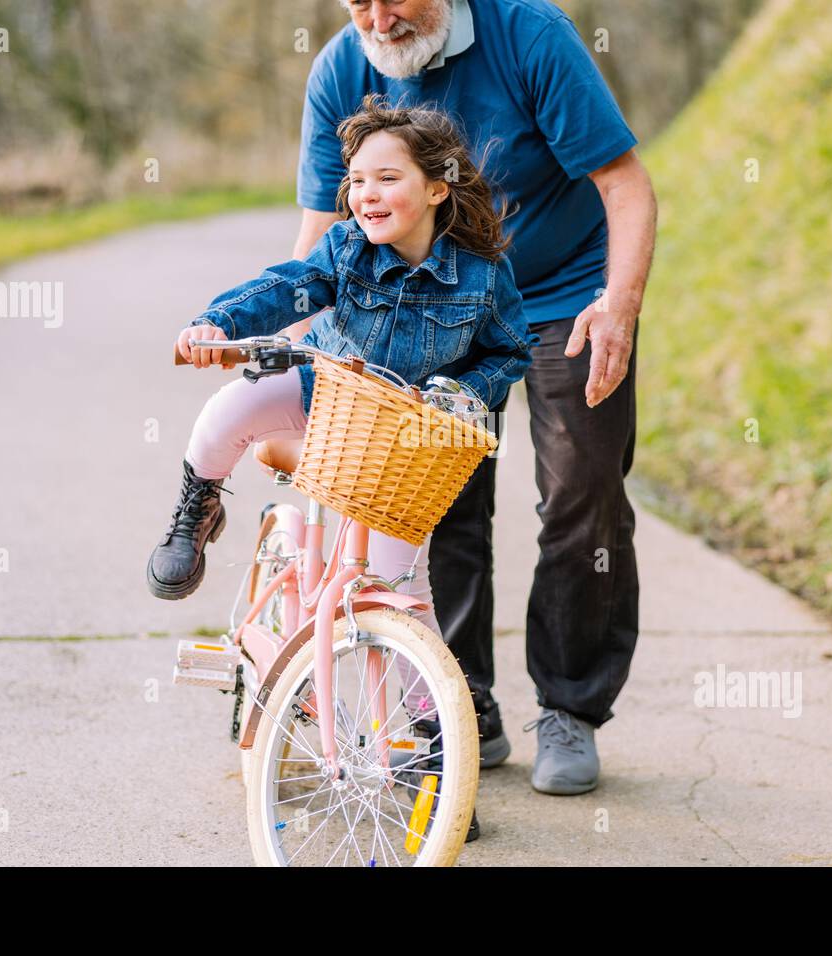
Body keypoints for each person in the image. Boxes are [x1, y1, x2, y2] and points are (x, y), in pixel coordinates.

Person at [290, 0, 657, 795]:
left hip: (563, 292)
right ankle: (462, 706)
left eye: (394, 0)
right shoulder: (341, 69)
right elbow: (321, 229)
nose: (378, 19)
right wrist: (315, 350)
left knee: (581, 492)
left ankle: (570, 707)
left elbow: (623, 183)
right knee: (438, 502)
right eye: (359, 3)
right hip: (425, 303)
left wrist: (618, 304)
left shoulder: (531, 36)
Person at [145, 95, 537, 839]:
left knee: (402, 599)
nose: (366, 196)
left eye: (386, 179)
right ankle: (195, 510)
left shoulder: (483, 277)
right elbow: (287, 287)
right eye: (356, 181)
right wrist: (218, 322)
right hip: (325, 393)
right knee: (228, 410)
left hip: (402, 440)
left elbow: (509, 351)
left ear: (436, 188)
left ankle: (434, 755)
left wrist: (467, 393)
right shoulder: (346, 249)